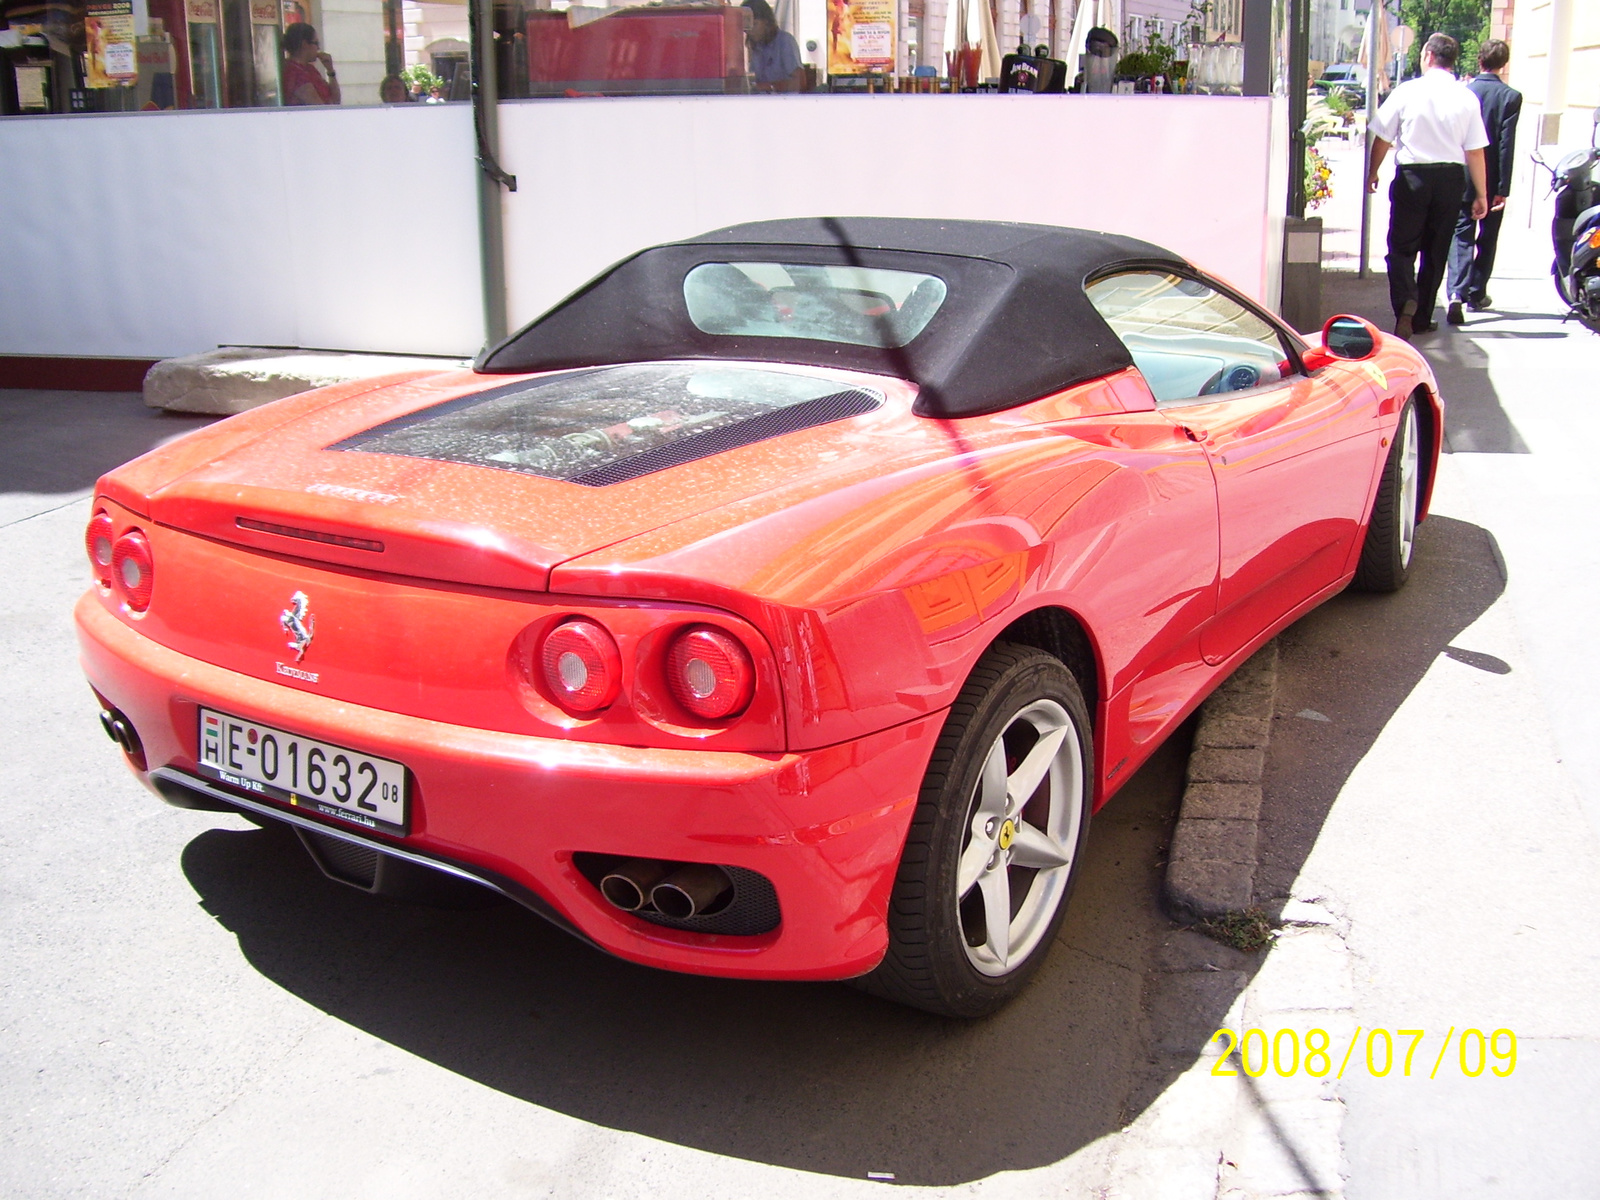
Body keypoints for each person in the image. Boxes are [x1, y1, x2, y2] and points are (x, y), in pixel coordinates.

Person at [1366, 33, 1488, 339]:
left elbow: (1382, 136)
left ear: (1428, 56)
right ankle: (1421, 317)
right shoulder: (1467, 97)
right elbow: (1474, 150)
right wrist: (1481, 193)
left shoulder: (1407, 91)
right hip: (1450, 180)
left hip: (1413, 178)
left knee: (1401, 248)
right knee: (1435, 251)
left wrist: (1373, 172)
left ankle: (1405, 301)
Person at [1446, 39, 1522, 323]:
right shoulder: (1510, 97)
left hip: (1464, 176)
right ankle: (1477, 292)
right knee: (1488, 237)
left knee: (1461, 235)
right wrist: (1502, 188)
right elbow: (1505, 143)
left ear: (1479, 60)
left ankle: (1456, 292)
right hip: (1492, 179)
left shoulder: (1466, 92)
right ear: (1504, 64)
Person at [743, 0, 805, 93]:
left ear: (767, 22)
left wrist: (770, 86)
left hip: (785, 103)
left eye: (755, 24)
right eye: (746, 27)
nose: (750, 31)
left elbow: (800, 83)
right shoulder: (755, 46)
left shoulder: (784, 41)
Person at [282, 23, 340, 106]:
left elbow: (336, 100)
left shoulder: (310, 69)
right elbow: (319, 107)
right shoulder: (294, 73)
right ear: (305, 44)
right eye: (316, 43)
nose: (318, 48)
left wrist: (330, 71)